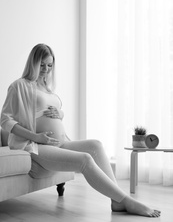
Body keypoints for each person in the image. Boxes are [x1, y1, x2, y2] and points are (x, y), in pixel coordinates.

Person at [0, 44, 161, 217]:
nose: (46, 69)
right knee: (85, 159)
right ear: (33, 62)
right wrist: (36, 137)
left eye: (50, 65)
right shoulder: (19, 86)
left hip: (61, 143)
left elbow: (46, 114)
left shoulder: (47, 88)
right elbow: (5, 119)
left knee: (96, 145)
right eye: (42, 65)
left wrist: (59, 113)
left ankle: (116, 200)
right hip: (37, 146)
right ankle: (126, 201)